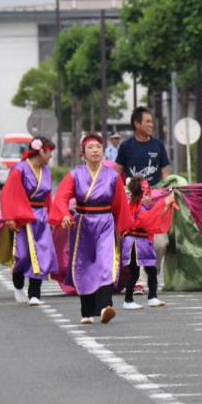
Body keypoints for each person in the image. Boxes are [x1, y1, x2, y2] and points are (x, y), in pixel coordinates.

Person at [49, 133, 134, 325]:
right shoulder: (75, 174)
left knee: (106, 264)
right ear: (83, 154)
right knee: (84, 266)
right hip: (82, 224)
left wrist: (123, 228)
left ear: (103, 151)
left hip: (105, 222)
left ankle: (105, 307)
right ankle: (87, 312)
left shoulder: (113, 176)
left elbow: (120, 204)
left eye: (98, 147)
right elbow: (62, 197)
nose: (95, 150)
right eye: (90, 148)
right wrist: (64, 214)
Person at [0, 137, 57, 305]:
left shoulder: (46, 171)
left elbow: (47, 197)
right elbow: (8, 194)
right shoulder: (19, 169)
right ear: (40, 151)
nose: (51, 156)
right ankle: (18, 286)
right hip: (22, 217)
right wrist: (10, 217)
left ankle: (34, 294)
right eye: (49, 152)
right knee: (22, 255)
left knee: (40, 255)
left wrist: (51, 217)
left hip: (41, 217)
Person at [122, 177, 176, 310]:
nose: (148, 196)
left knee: (151, 270)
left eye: (148, 193)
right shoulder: (135, 206)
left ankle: (152, 297)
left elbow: (153, 218)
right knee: (135, 273)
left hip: (142, 242)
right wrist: (164, 203)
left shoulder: (141, 206)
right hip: (134, 243)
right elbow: (149, 220)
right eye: (145, 193)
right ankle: (129, 300)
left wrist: (165, 205)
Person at [115, 106, 171, 185]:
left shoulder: (159, 145)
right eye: (148, 121)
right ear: (137, 124)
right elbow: (116, 173)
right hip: (133, 195)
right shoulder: (125, 146)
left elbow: (165, 174)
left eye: (151, 121)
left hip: (155, 194)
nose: (151, 125)